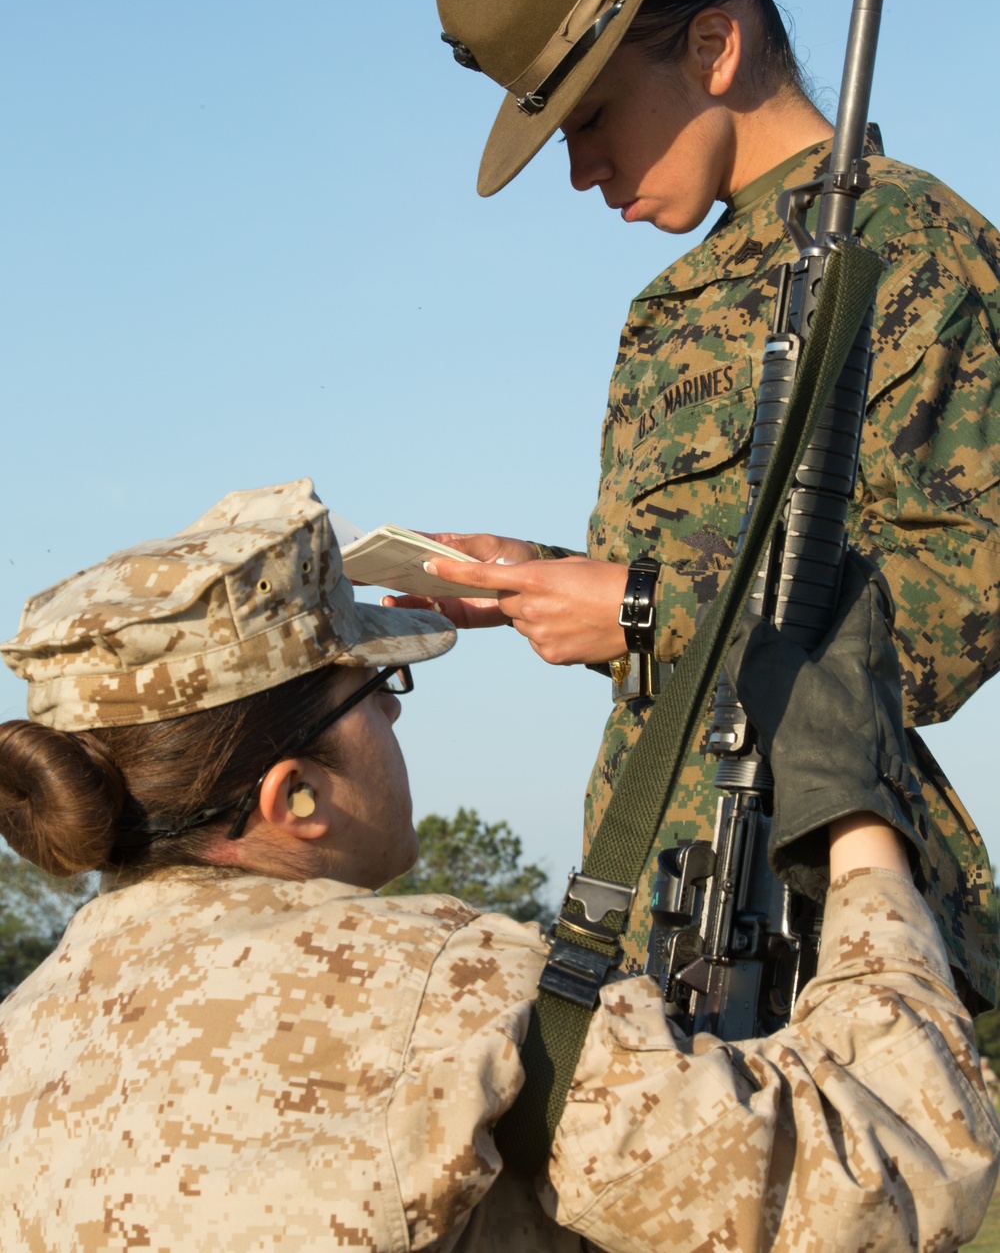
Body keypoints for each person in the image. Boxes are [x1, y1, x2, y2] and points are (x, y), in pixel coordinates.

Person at [0, 477, 996, 1251]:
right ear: (292, 796)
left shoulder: (22, 1039)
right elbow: (894, 1173)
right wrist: (857, 818)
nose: (393, 712)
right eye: (379, 686)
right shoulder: (446, 992)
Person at [386, 0, 1000, 1006]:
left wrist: (638, 605)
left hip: (818, 927)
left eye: (593, 115)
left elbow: (949, 617)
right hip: (647, 911)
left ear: (713, 47)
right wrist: (536, 578)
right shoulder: (677, 302)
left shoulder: (915, 251)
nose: (579, 170)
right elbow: (712, 594)